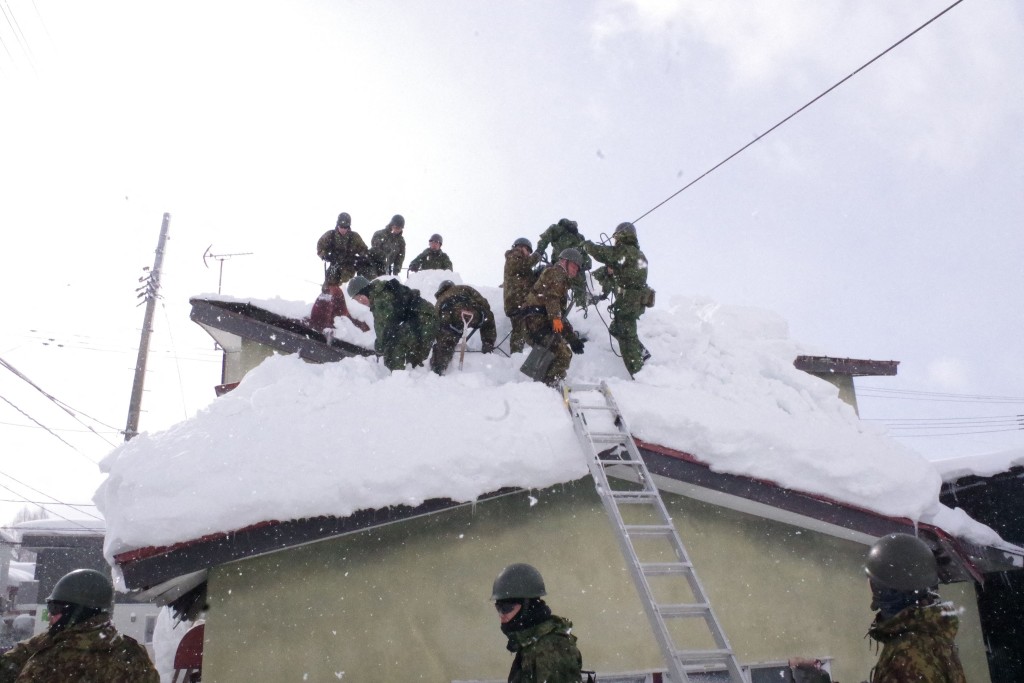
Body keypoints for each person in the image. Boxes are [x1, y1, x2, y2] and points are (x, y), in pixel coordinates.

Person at [789, 533, 967, 683]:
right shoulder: (928, 639)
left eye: (873, 583)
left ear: (887, 590)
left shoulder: (908, 656)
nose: (870, 590)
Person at [0, 568, 158, 682]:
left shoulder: (51, 661)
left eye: (55, 608)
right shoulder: (132, 654)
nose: (50, 615)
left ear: (77, 613)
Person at [491, 563, 582, 683]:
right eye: (498, 608)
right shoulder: (531, 643)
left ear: (527, 607)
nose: (502, 616)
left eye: (507, 608)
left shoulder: (550, 647)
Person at [582, 221, 651, 377]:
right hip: (634, 301)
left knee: (627, 336)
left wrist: (586, 245)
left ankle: (639, 373)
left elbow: (602, 253)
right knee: (617, 329)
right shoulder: (638, 255)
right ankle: (641, 352)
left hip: (628, 302)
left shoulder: (626, 252)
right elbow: (625, 275)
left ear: (621, 235)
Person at [521, 248, 586, 387]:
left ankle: (544, 384)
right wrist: (556, 319)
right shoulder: (556, 273)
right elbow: (551, 299)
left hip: (538, 322)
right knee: (562, 354)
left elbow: (559, 316)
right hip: (537, 321)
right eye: (574, 266)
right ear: (564, 262)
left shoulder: (561, 281)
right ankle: (550, 386)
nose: (576, 271)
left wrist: (572, 339)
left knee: (559, 353)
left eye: (577, 269)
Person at [347, 275, 438, 371]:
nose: (360, 301)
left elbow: (384, 330)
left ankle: (396, 378)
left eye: (360, 297)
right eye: (357, 300)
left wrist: (380, 349)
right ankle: (412, 375)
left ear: (366, 290)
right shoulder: (380, 292)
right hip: (424, 319)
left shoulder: (380, 299)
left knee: (392, 345)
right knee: (410, 358)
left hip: (424, 319)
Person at [430, 280, 496, 374]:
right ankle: (488, 345)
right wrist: (483, 314)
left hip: (450, 315)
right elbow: (484, 303)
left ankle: (438, 369)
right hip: (471, 312)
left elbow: (436, 320)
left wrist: (441, 337)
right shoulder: (464, 288)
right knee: (488, 319)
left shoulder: (441, 298)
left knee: (447, 341)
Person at [535, 218, 592, 309]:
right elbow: (545, 238)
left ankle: (576, 307)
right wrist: (539, 251)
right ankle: (577, 306)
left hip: (572, 266)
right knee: (561, 284)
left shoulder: (578, 236)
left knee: (573, 283)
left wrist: (539, 250)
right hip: (562, 264)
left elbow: (583, 252)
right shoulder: (559, 230)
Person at [503, 237, 541, 353]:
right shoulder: (514, 255)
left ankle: (532, 353)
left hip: (522, 303)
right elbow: (523, 266)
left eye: (530, 252)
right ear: (519, 247)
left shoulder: (522, 264)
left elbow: (528, 281)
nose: (529, 254)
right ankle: (515, 357)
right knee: (520, 331)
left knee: (526, 331)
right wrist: (537, 255)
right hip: (516, 303)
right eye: (527, 250)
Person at [316, 212, 369, 286]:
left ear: (349, 226)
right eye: (341, 226)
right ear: (337, 225)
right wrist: (325, 256)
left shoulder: (354, 237)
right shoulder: (331, 235)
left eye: (346, 227)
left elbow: (364, 250)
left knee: (344, 287)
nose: (343, 229)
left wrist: (361, 259)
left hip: (349, 268)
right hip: (334, 266)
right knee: (327, 288)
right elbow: (320, 246)